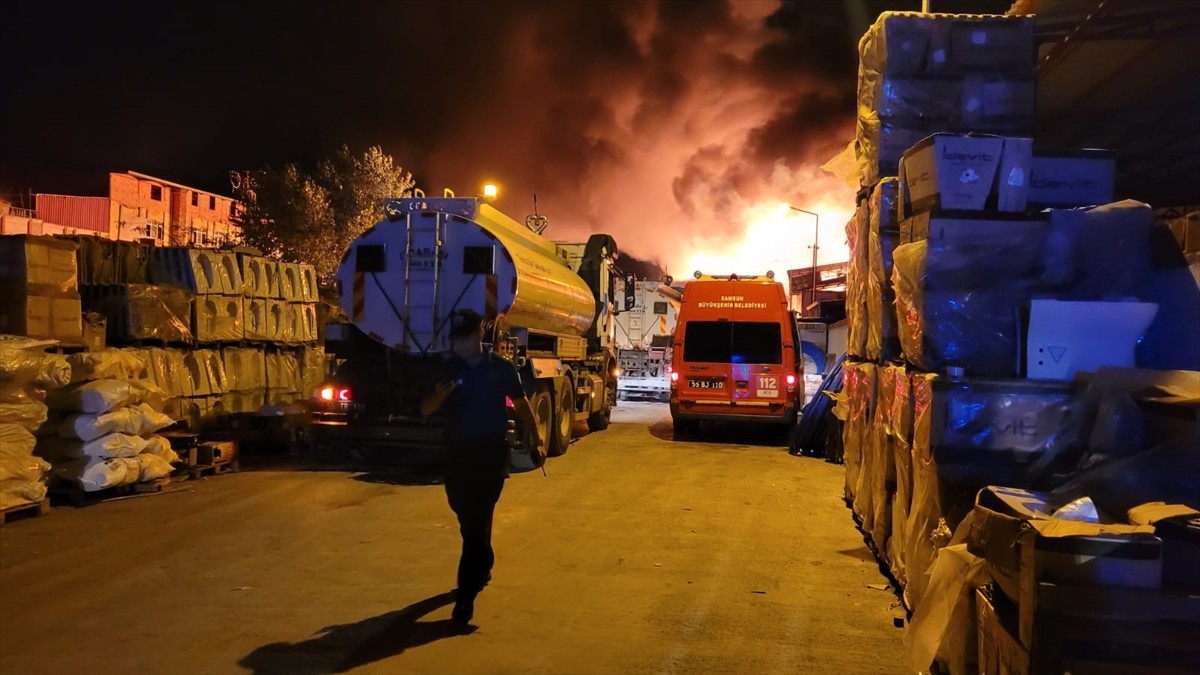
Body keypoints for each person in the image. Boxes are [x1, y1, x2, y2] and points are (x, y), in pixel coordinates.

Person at [420, 308, 542, 625]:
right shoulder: (447, 369)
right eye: (455, 338)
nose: (459, 344)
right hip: (458, 455)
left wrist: (537, 438)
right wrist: (438, 397)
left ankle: (465, 598)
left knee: (477, 522)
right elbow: (425, 409)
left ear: (479, 335)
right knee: (467, 520)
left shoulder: (499, 369)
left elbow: (521, 404)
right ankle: (484, 558)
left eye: (465, 337)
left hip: (490, 456)